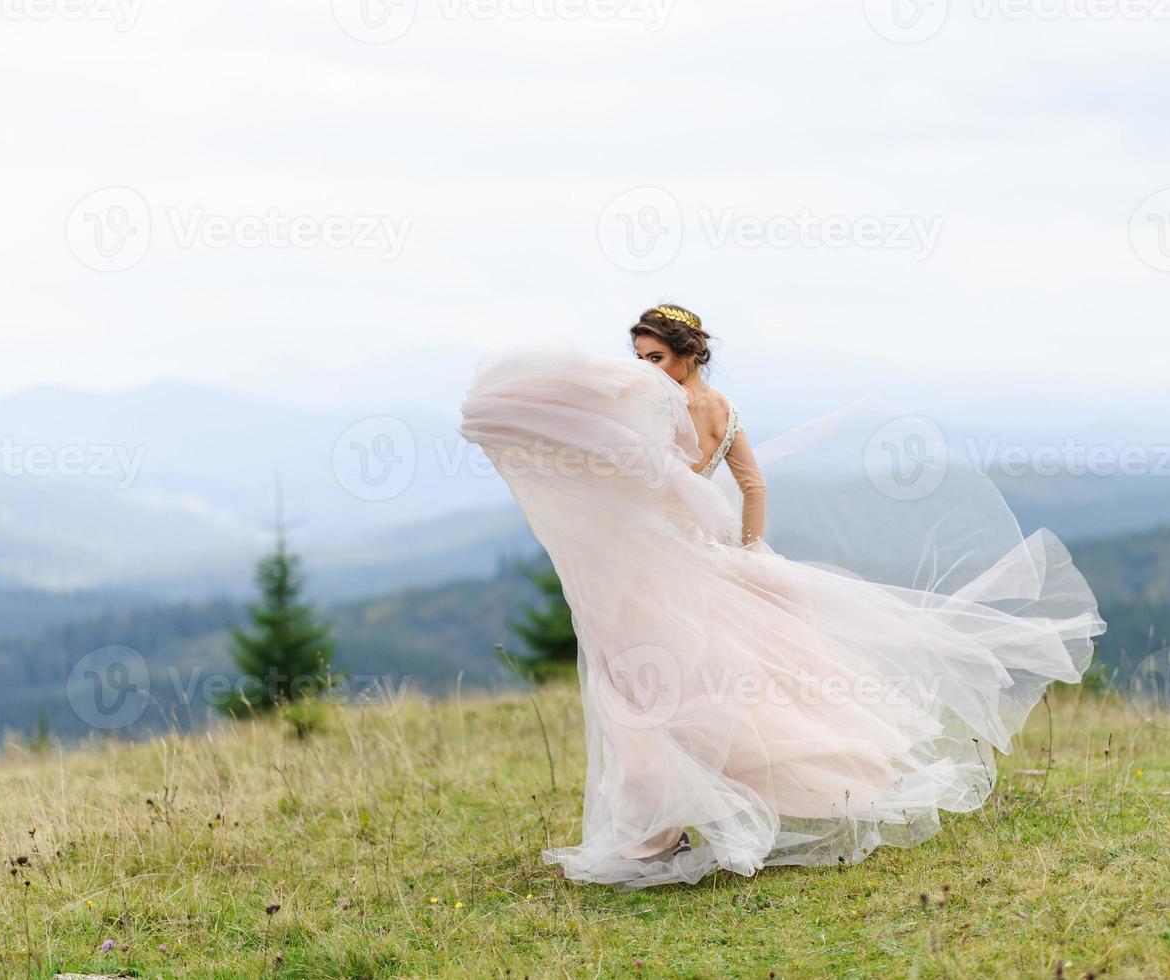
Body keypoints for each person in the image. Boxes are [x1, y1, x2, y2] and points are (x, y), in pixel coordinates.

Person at [457, 303, 1105, 890]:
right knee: (709, 684)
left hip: (670, 569)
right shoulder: (723, 409)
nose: (643, 369)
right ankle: (675, 820)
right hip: (712, 558)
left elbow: (646, 484)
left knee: (647, 687)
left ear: (687, 356)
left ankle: (657, 831)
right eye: (638, 358)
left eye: (653, 357)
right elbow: (752, 487)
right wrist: (743, 550)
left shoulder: (660, 412)